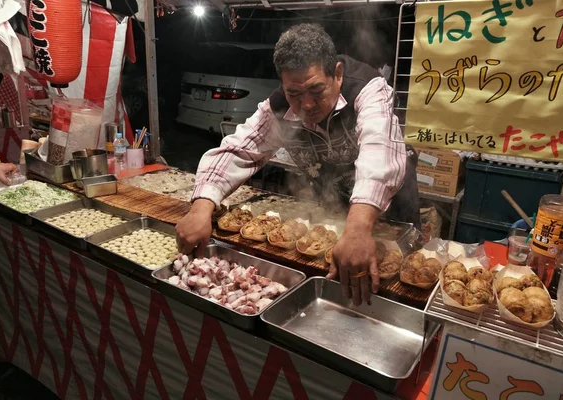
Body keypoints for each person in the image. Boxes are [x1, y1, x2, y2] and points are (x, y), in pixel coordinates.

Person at [176, 24, 419, 306]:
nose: (306, 105)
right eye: (294, 93)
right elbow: (239, 149)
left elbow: (380, 152)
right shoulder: (278, 106)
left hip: (390, 214)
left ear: (337, 74)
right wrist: (201, 207)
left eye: (316, 90)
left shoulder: (368, 88)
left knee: (399, 289)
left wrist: (358, 229)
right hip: (338, 217)